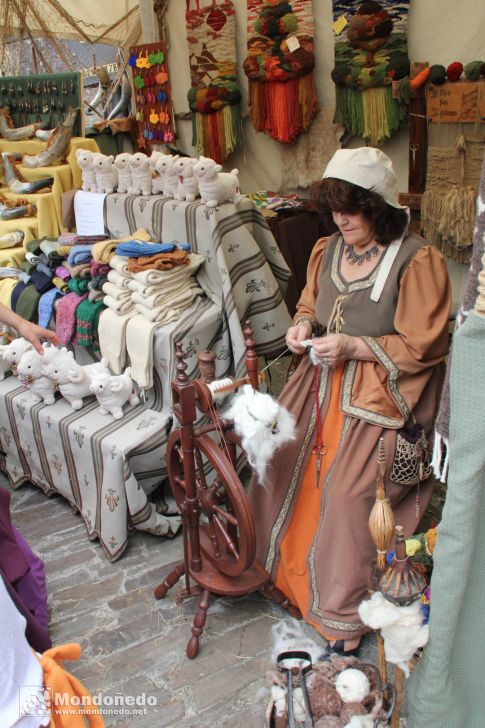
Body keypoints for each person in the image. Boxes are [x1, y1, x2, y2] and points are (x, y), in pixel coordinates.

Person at [249, 147, 451, 655]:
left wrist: (355, 347)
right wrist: (301, 327)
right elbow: (310, 303)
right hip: (318, 383)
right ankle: (277, 573)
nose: (342, 218)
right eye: (335, 207)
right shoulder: (327, 249)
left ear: (378, 207)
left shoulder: (416, 259)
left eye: (353, 207)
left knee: (344, 496)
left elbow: (423, 345)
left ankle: (341, 612)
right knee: (275, 459)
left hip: (382, 396)